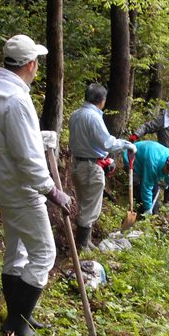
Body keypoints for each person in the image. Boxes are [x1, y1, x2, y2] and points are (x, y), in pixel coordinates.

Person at [0, 35, 74, 336]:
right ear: (31, 65)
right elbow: (27, 157)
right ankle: (17, 323)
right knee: (45, 253)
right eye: (37, 63)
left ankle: (19, 315)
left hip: (3, 183)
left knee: (16, 252)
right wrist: (52, 191)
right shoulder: (17, 101)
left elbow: (8, 141)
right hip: (20, 188)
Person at [68, 82, 137, 250]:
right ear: (101, 100)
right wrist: (126, 144)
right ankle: (82, 246)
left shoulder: (75, 114)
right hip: (91, 167)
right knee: (90, 208)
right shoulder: (93, 117)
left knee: (84, 203)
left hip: (77, 164)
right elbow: (107, 143)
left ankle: (86, 242)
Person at [132, 98, 169, 205]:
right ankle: (166, 201)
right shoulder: (162, 120)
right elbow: (147, 127)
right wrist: (136, 134)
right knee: (168, 179)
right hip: (167, 155)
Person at [125, 139, 169, 216]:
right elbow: (146, 187)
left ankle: (154, 212)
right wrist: (148, 208)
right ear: (166, 164)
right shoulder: (153, 166)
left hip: (150, 153)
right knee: (139, 186)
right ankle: (141, 211)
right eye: (167, 172)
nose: (168, 175)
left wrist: (167, 183)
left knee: (154, 187)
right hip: (133, 156)